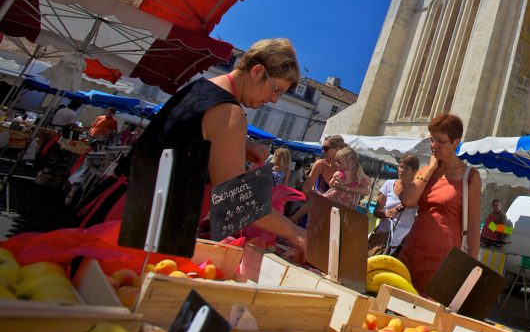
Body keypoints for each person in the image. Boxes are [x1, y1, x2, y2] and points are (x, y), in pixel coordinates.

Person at [110, 38, 307, 257]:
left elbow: (186, 134)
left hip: (121, 202)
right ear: (257, 71)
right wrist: (294, 232)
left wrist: (241, 145)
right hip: (145, 222)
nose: (274, 100)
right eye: (275, 89)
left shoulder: (204, 86)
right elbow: (235, 197)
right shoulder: (229, 112)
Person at [399, 113, 481, 292]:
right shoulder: (427, 170)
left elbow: (474, 225)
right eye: (432, 139)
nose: (434, 146)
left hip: (442, 258)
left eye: (440, 141)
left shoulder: (470, 176)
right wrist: (430, 169)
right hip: (412, 249)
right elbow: (407, 201)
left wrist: (469, 269)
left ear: (455, 142)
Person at [290, 139, 371, 223]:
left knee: (316, 201)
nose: (322, 151)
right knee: (315, 201)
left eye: (326, 148)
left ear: (337, 149)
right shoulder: (323, 165)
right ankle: (295, 217)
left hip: (338, 202)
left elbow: (366, 189)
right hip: (340, 203)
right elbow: (307, 188)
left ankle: (295, 217)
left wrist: (346, 187)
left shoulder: (348, 173)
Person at [373, 153, 419, 255]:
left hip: (402, 242)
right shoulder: (388, 184)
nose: (401, 170)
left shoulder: (418, 191)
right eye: (400, 166)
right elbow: (376, 212)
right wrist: (386, 214)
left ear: (415, 171)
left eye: (406, 168)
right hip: (381, 237)